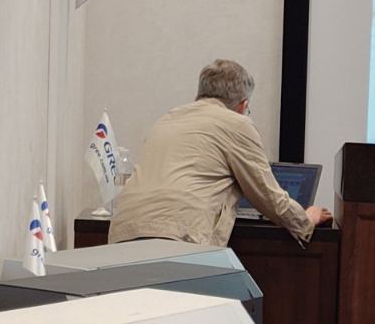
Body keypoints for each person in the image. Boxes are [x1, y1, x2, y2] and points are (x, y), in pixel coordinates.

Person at [107, 59, 331, 247]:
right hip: (179, 236)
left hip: (123, 234)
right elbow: (267, 196)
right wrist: (305, 220)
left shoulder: (166, 120)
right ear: (243, 106)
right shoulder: (237, 123)